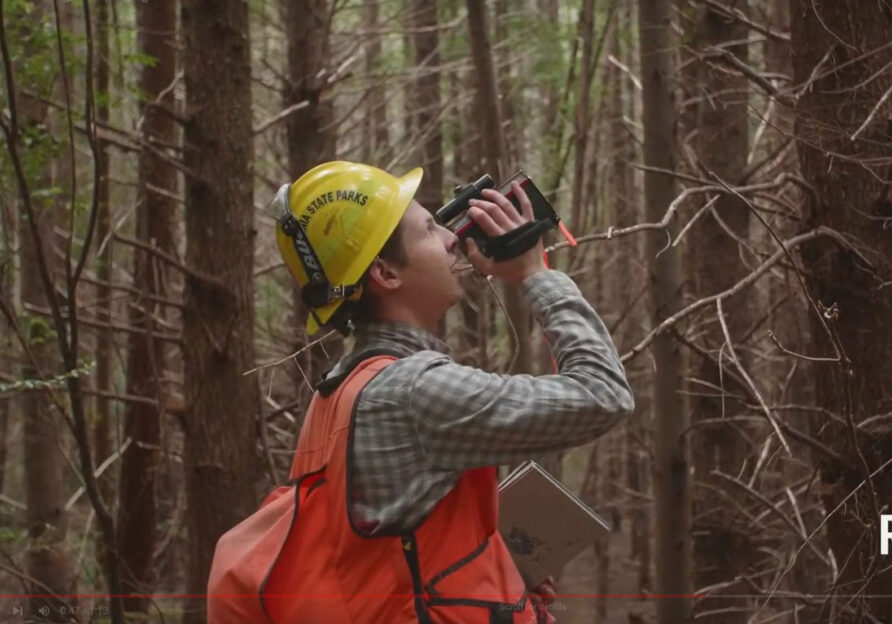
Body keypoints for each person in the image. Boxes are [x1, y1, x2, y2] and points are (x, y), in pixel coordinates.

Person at [207, 161, 634, 624]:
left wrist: (490, 566)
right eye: (429, 230)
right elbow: (604, 393)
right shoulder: (415, 390)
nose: (453, 237)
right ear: (386, 274)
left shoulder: (338, 392)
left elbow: (385, 557)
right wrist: (535, 272)